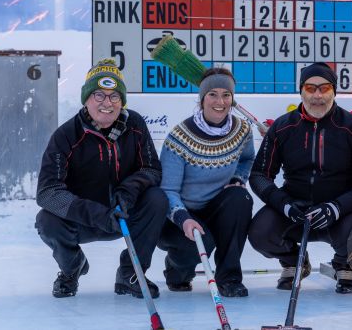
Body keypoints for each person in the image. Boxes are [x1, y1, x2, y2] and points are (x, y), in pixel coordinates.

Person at [248, 62, 352, 294]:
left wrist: (337, 207)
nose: (317, 95)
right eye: (311, 88)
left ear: (334, 91)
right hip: (296, 209)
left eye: (325, 88)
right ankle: (294, 261)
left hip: (340, 211)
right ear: (301, 90)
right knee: (260, 233)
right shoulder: (282, 127)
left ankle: (345, 264)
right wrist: (284, 205)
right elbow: (260, 176)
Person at [35, 58, 167, 298]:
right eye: (99, 95)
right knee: (46, 220)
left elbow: (152, 169)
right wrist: (97, 214)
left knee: (156, 198)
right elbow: (47, 192)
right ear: (86, 98)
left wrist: (128, 191)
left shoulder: (135, 124)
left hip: (123, 215)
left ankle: (130, 273)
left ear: (122, 101)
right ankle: (71, 269)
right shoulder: (65, 135)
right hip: (85, 218)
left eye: (114, 96)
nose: (107, 103)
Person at [156, 68, 255, 297]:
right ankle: (176, 270)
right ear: (202, 99)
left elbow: (247, 158)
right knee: (201, 243)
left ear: (232, 99)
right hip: (179, 215)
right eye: (212, 94)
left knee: (241, 198)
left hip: (214, 207)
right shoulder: (179, 137)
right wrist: (183, 219)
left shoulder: (241, 130)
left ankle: (229, 278)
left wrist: (238, 179)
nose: (220, 101)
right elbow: (168, 190)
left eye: (226, 95)